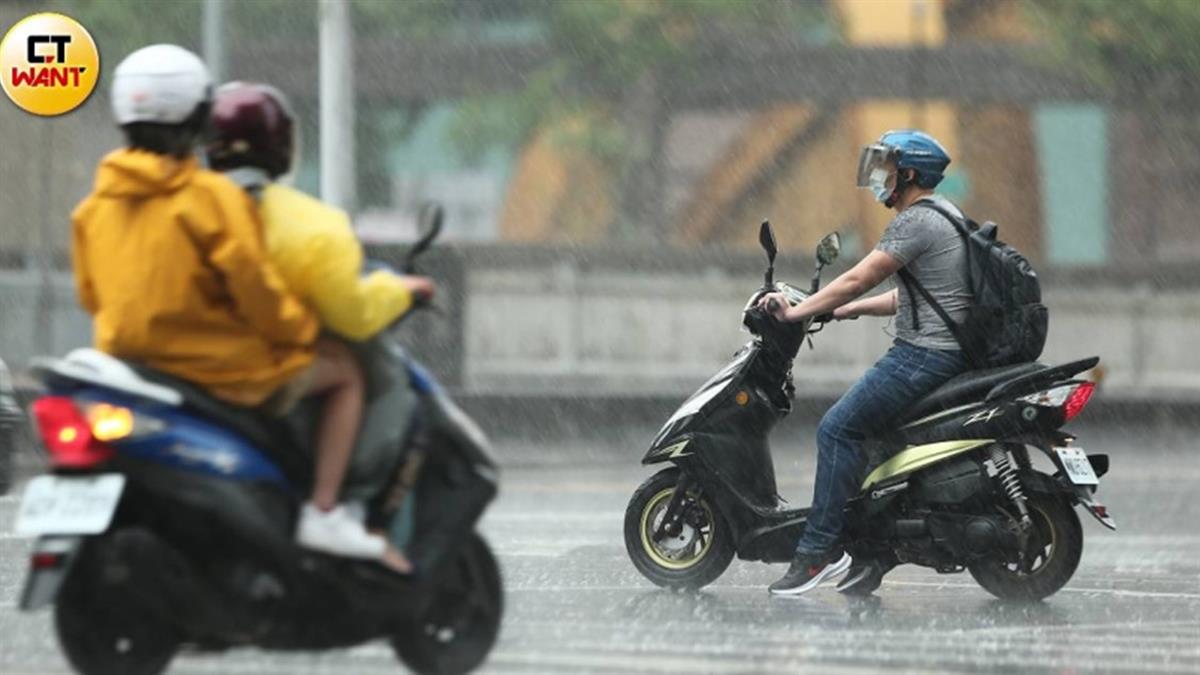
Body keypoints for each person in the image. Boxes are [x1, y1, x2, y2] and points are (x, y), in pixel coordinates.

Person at [71, 45, 396, 569]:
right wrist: (298, 329)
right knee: (345, 372)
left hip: (128, 364)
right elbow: (256, 291)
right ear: (199, 119)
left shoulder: (92, 209)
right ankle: (325, 511)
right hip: (217, 368)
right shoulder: (209, 200)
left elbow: (91, 295)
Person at [205, 81, 437, 571]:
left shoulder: (177, 208)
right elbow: (350, 312)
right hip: (253, 366)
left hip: (176, 360)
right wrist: (404, 291)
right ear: (282, 146)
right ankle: (326, 506)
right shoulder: (310, 225)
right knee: (350, 372)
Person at [757, 130, 972, 595]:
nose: (880, 178)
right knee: (875, 446)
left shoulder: (914, 222)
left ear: (909, 175)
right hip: (943, 351)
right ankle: (872, 554)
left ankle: (818, 553)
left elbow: (858, 277)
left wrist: (798, 311)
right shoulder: (946, 216)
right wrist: (848, 309)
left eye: (888, 169)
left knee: (837, 429)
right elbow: (915, 296)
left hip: (923, 356)